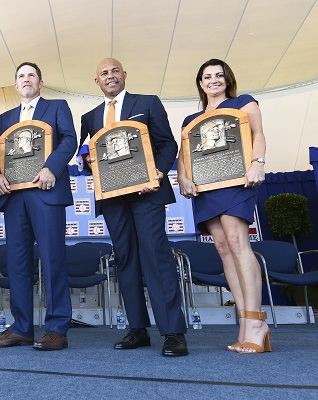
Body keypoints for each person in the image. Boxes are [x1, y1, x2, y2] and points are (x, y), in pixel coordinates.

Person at [78, 58, 188, 357]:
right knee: (125, 258)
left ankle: (173, 332)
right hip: (113, 197)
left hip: (148, 192)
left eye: (115, 71)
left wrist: (160, 173)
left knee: (156, 255)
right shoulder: (89, 117)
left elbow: (167, 144)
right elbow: (84, 153)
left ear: (124, 75)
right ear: (96, 81)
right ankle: (137, 329)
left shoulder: (148, 103)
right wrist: (86, 161)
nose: (110, 76)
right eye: (104, 73)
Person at [0, 62, 77, 351]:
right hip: (14, 197)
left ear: (40, 82)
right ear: (15, 85)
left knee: (52, 260)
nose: (26, 80)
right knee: (18, 264)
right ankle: (21, 327)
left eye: (31, 75)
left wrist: (51, 168)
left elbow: (70, 140)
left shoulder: (57, 106)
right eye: (21, 76)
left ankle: (57, 328)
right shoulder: (6, 117)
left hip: (46, 191)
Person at [177, 59, 267, 354]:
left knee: (237, 242)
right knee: (223, 248)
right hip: (205, 187)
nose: (213, 80)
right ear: (200, 83)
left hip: (237, 180)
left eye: (219, 75)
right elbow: (183, 155)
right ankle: (244, 323)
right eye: (207, 76)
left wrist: (257, 163)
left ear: (227, 79)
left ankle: (257, 322)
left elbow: (257, 135)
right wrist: (182, 178)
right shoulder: (191, 119)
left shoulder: (244, 102)